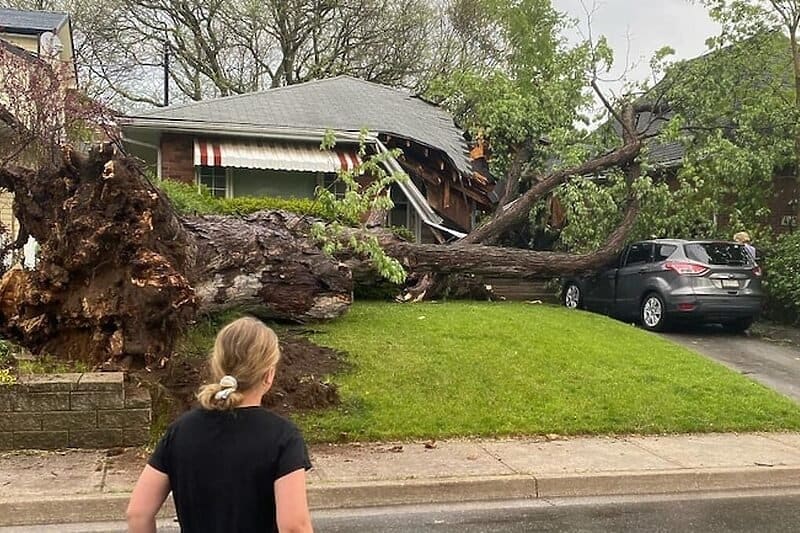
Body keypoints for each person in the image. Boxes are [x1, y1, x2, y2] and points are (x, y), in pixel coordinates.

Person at [126, 317, 313, 533]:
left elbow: (137, 514)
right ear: (268, 375)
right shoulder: (283, 438)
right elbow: (294, 527)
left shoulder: (181, 431)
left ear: (217, 366)